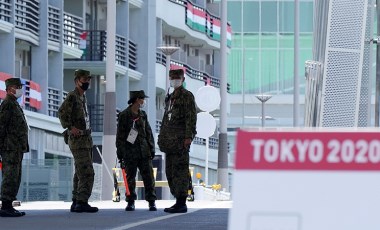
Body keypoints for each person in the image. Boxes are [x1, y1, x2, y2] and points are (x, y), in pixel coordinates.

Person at [58, 69, 98, 213]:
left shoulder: (83, 97)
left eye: (88, 79)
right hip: (78, 140)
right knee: (87, 172)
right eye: (84, 79)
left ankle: (76, 201)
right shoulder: (73, 96)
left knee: (79, 172)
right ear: (77, 81)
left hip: (86, 139)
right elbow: (62, 112)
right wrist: (70, 127)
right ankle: (82, 201)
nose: (87, 82)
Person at [158, 69, 197, 213]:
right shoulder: (170, 97)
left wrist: (188, 137)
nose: (175, 79)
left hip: (180, 141)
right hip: (169, 142)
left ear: (183, 78)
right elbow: (165, 119)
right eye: (172, 77)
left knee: (180, 171)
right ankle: (177, 200)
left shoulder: (186, 96)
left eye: (177, 77)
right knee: (170, 171)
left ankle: (181, 202)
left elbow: (191, 118)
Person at [116, 90, 157, 211]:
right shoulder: (124, 115)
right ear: (137, 100)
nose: (143, 101)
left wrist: (151, 148)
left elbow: (148, 132)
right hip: (130, 152)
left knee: (149, 177)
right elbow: (120, 136)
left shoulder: (143, 114)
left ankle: (151, 201)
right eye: (142, 99)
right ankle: (130, 201)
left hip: (144, 151)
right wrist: (121, 153)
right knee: (130, 178)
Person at [0, 78, 28, 217]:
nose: (19, 89)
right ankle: (5, 206)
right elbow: (1, 126)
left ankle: (9, 205)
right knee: (10, 176)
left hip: (16, 148)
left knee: (15, 176)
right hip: (9, 148)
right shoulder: (7, 104)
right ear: (10, 88)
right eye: (17, 86)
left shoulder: (14, 104)